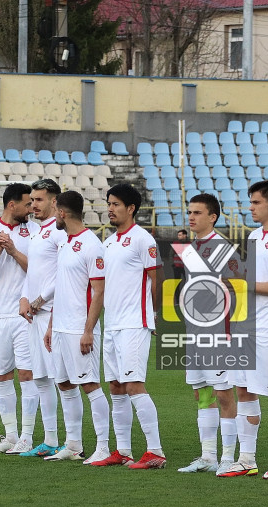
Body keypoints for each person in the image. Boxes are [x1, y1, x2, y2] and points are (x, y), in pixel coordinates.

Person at [218, 180, 268, 480]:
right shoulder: (254, 237)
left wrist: (245, 284)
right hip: (247, 327)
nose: (250, 207)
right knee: (243, 390)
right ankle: (247, 459)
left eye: (255, 202)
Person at [90, 183, 166, 469]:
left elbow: (157, 278)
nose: (110, 209)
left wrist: (155, 313)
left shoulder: (143, 240)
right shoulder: (108, 243)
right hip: (112, 324)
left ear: (131, 208)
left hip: (136, 322)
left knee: (134, 385)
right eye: (109, 203)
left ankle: (155, 451)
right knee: (117, 386)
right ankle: (123, 450)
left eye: (116, 204)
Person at [43, 190, 110, 463]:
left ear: (61, 212)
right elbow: (63, 288)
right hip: (60, 328)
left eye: (55, 210)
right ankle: (73, 445)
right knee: (65, 385)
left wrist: (88, 330)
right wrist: (50, 325)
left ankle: (103, 447)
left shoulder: (92, 245)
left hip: (79, 330)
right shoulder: (65, 243)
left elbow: (99, 292)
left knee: (90, 385)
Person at [0, 182, 40, 454]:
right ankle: (10, 436)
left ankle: (27, 436)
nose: (32, 208)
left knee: (27, 374)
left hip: (25, 315)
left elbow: (38, 271)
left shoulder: (34, 231)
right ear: (12, 205)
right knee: (1, 376)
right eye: (27, 204)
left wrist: (13, 250)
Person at [176, 193, 239, 476]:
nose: (191, 217)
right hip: (195, 334)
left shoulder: (224, 249)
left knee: (224, 394)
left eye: (198, 213)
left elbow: (238, 290)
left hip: (219, 335)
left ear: (212, 217)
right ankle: (208, 456)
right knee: (201, 394)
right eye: (190, 212)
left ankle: (228, 458)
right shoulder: (190, 248)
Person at [15, 179, 66, 457]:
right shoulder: (36, 232)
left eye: (38, 200)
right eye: (31, 200)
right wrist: (24, 297)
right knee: (41, 378)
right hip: (34, 314)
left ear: (54, 202)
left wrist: (40, 299)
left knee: (62, 380)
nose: (32, 205)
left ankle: (72, 442)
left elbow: (63, 274)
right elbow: (32, 272)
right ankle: (49, 439)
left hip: (53, 314)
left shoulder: (59, 233)